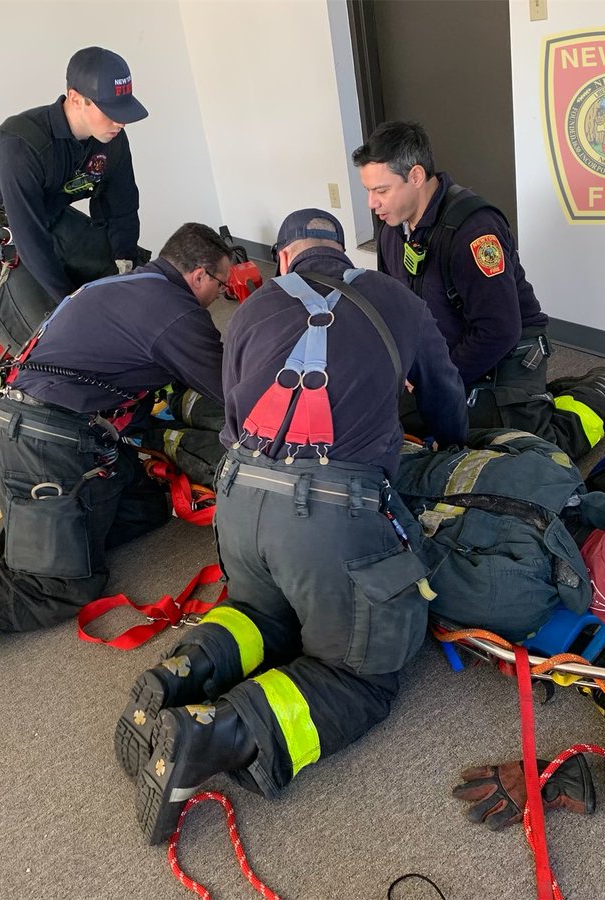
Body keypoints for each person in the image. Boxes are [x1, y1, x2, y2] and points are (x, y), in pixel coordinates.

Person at [115, 209, 470, 843]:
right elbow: (444, 394)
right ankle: (211, 734)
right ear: (344, 251)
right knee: (359, 673)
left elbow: (232, 412)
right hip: (331, 519)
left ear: (284, 260)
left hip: (239, 504)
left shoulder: (249, 311)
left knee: (263, 614)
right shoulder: (397, 296)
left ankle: (181, 673)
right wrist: (444, 443)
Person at [0, 223, 232, 702]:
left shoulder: (126, 284)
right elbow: (236, 393)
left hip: (61, 432)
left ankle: (32, 536)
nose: (222, 296)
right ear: (202, 275)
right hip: (48, 445)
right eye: (223, 286)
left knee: (144, 508)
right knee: (61, 585)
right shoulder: (177, 314)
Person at [353, 120, 605, 462]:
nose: (372, 204)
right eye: (368, 191)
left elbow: (499, 330)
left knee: (516, 453)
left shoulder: (473, 230)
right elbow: (394, 308)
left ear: (415, 177)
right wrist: (404, 366)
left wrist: (439, 379)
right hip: (447, 352)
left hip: (510, 348)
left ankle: (587, 397)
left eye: (381, 190)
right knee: (385, 414)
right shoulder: (392, 230)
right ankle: (531, 398)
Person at [0, 46, 150, 351]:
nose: (120, 123)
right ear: (75, 99)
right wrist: (68, 301)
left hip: (50, 212)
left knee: (115, 271)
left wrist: (126, 261)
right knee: (50, 334)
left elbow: (121, 205)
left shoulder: (111, 138)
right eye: (111, 112)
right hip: (3, 228)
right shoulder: (20, 144)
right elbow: (29, 238)